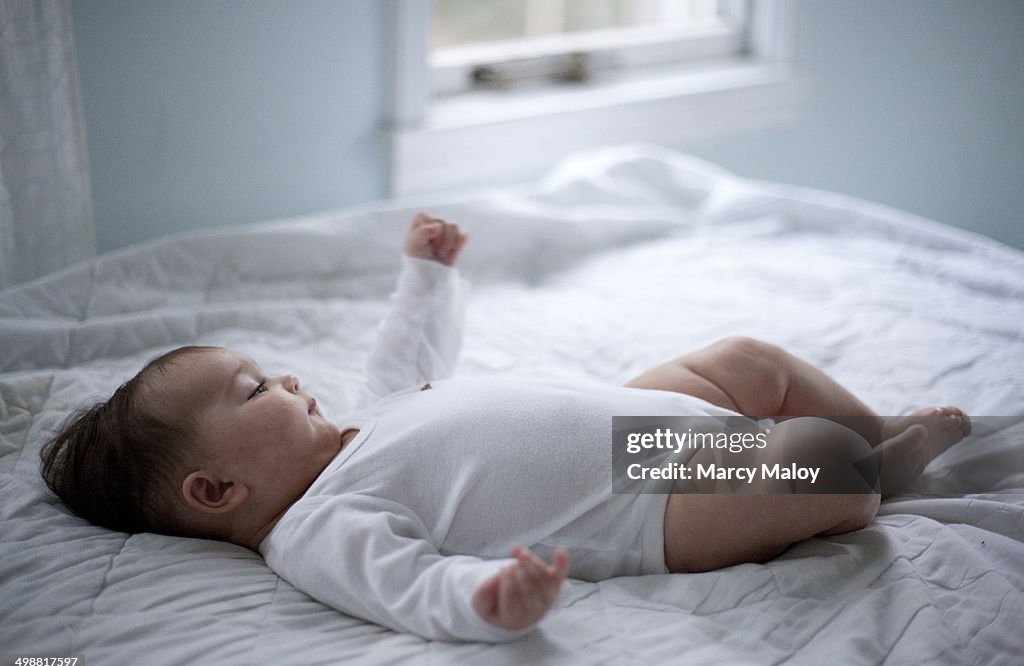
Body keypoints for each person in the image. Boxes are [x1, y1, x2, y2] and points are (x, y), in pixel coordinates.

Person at [40, 214, 971, 642]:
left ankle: (872, 426)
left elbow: (402, 350)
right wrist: (492, 602)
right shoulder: (317, 527)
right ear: (217, 491)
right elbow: (410, 589)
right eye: (253, 391)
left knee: (748, 361)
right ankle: (874, 466)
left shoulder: (365, 419)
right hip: (644, 494)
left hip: (634, 411)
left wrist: (428, 277)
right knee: (809, 466)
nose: (286, 378)